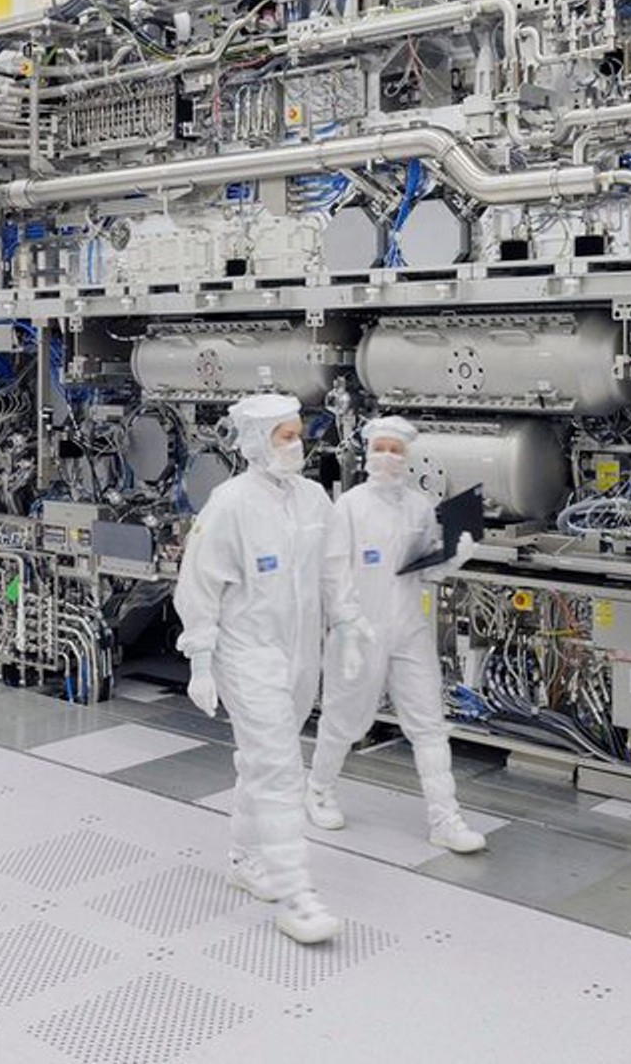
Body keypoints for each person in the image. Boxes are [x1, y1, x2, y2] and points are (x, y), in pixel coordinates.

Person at [173, 393, 370, 944]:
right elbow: (198, 584)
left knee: (261, 764)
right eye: (285, 436)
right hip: (247, 654)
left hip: (299, 654)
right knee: (282, 771)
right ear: (258, 443)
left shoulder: (313, 499)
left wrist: (349, 626)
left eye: (298, 435)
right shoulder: (230, 504)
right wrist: (201, 660)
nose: (297, 445)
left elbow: (335, 570)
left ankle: (244, 857)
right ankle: (296, 897)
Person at [305, 415, 487, 854]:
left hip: (408, 628)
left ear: (407, 457)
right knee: (343, 719)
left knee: (429, 724)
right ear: (368, 454)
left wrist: (454, 556)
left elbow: (424, 569)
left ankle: (444, 819)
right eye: (380, 449)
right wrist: (346, 623)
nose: (387, 457)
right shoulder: (350, 506)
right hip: (359, 630)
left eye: (395, 451)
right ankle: (318, 790)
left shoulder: (418, 507)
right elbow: (332, 571)